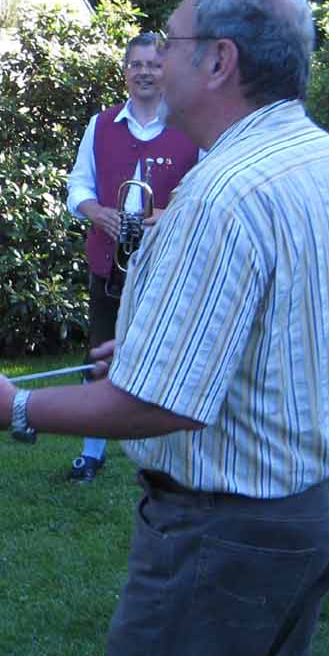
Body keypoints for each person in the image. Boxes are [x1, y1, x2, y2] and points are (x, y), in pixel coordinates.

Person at [0, 0, 329, 656]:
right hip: (320, 502)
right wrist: (155, 343)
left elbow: (160, 403)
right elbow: (285, 330)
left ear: (219, 60)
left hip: (228, 534)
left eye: (170, 40)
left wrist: (9, 404)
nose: (156, 59)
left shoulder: (221, 194)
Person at [63, 33, 197, 482]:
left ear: (167, 71)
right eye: (136, 64)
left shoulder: (191, 125)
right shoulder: (101, 124)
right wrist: (96, 212)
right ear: (124, 71)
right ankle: (92, 451)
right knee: (100, 353)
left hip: (168, 263)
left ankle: (165, 454)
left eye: (154, 65)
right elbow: (78, 185)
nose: (144, 72)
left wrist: (164, 214)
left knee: (168, 353)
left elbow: (203, 191)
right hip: (109, 259)